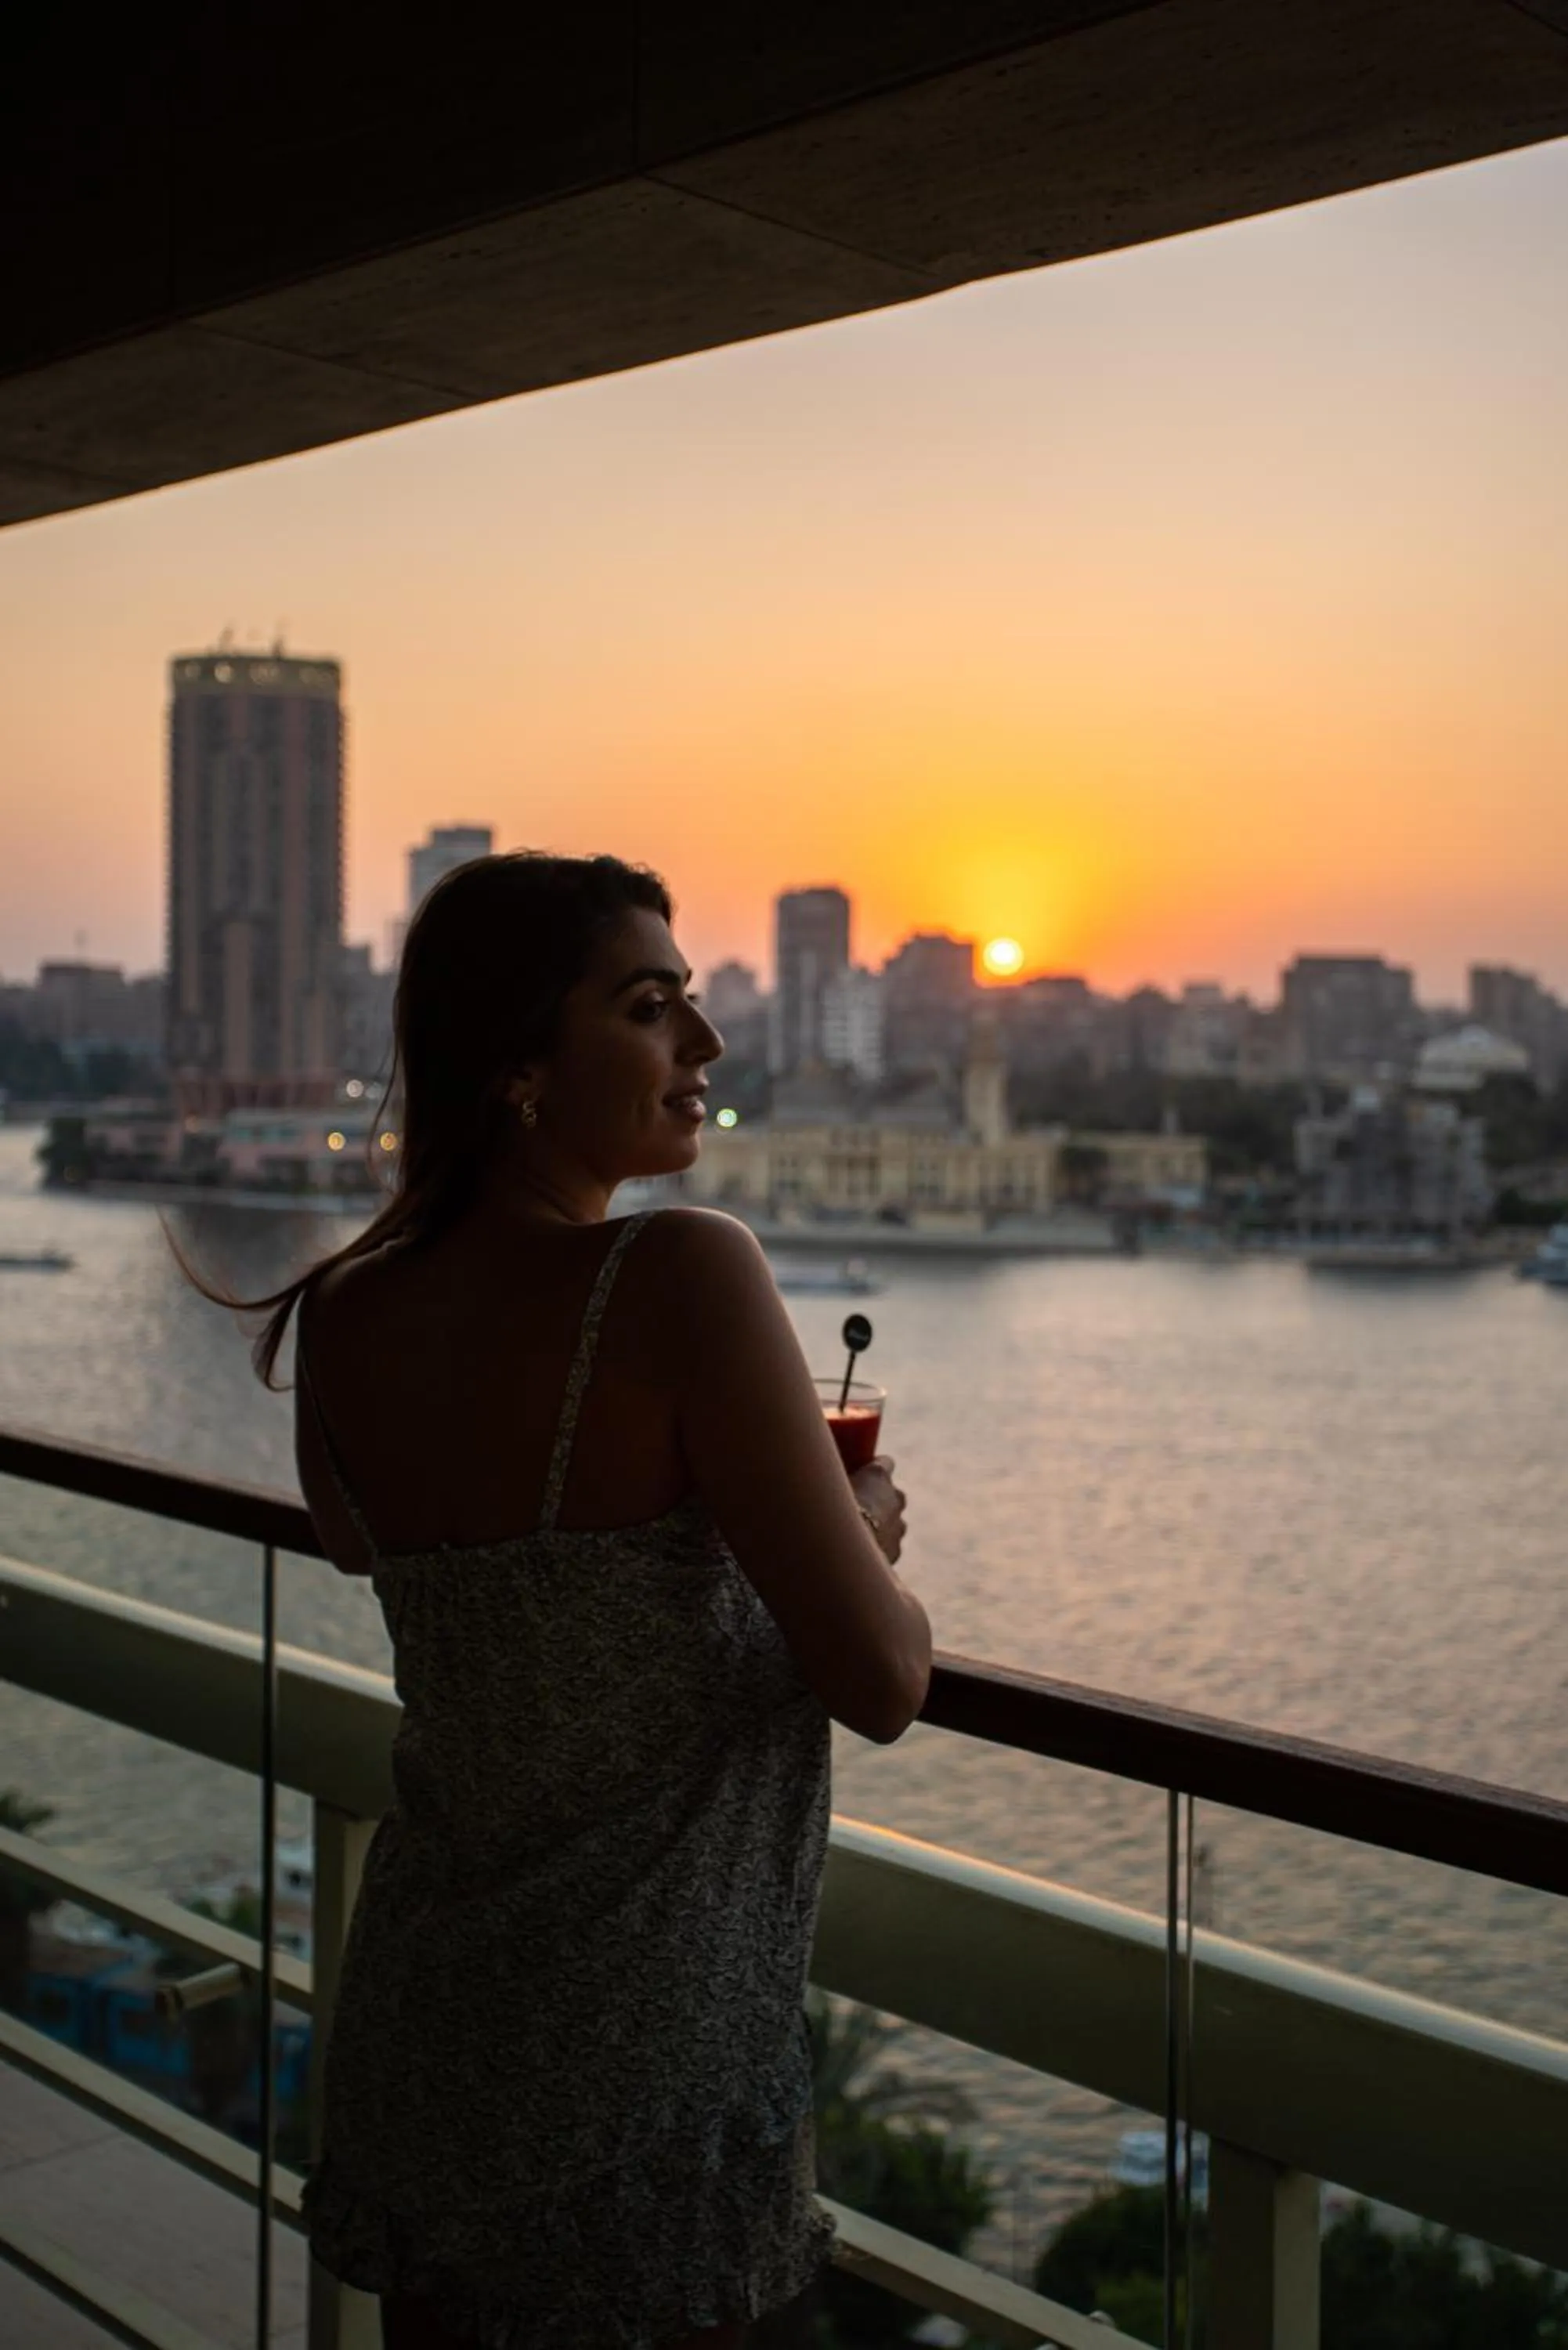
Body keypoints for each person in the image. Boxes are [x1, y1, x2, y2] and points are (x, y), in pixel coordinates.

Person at [215, 852, 931, 2350]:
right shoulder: (678, 1271)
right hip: (640, 2084)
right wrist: (854, 1521)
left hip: (435, 2035)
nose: (706, 1050)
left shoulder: (347, 1310)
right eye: (654, 1008)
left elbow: (368, 1545)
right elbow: (880, 1678)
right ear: (524, 1068)